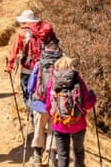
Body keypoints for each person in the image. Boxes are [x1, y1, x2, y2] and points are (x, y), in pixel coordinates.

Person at [44, 56, 96, 167]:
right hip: (78, 124)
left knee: (63, 156)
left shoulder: (52, 81)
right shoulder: (78, 80)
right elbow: (87, 104)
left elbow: (48, 105)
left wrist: (54, 118)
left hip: (59, 124)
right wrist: (93, 97)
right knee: (78, 153)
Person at [27, 38, 64, 166]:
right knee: (53, 131)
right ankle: (52, 159)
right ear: (58, 48)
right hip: (57, 106)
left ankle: (37, 158)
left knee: (38, 130)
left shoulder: (39, 64)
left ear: (45, 48)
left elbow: (30, 87)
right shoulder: (63, 64)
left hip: (40, 104)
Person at [7, 9, 56, 100]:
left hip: (28, 69)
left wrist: (10, 66)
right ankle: (42, 111)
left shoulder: (22, 33)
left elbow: (14, 51)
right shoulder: (45, 31)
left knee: (28, 93)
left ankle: (32, 112)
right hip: (47, 68)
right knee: (44, 94)